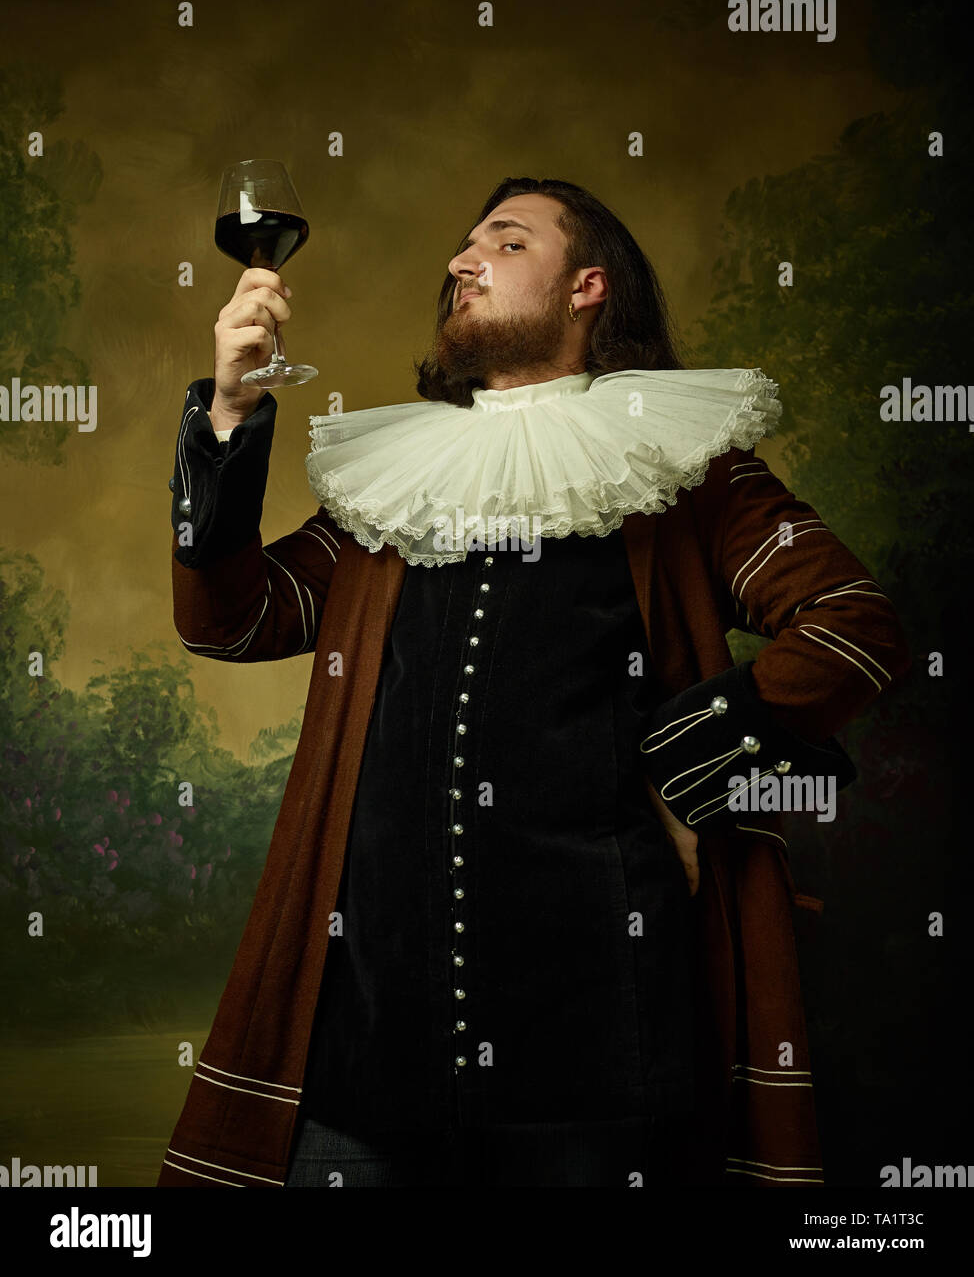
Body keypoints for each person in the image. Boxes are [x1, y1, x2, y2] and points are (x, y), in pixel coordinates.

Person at [158, 177, 910, 1189]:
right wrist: (231, 413)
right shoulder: (396, 477)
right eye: (463, 246)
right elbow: (232, 620)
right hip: (367, 1040)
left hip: (599, 1044)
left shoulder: (683, 466)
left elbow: (849, 620)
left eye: (504, 244)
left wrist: (685, 766)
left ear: (587, 286)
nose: (462, 262)